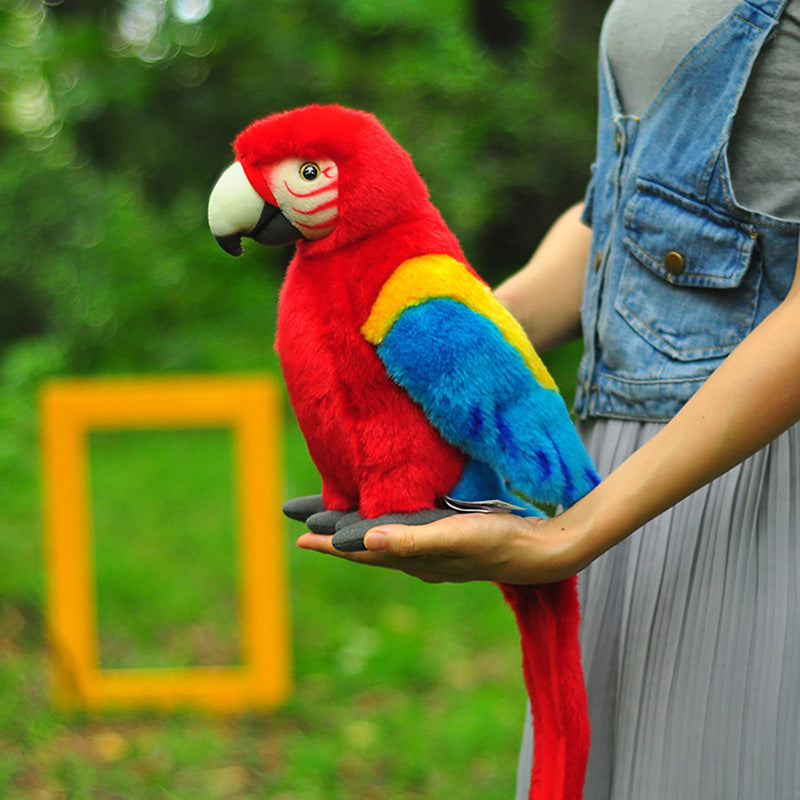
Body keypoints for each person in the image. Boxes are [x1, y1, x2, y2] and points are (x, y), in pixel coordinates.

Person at [297, 0, 800, 796]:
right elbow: (621, 207)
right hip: (620, 469)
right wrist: (447, 346)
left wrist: (576, 534)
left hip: (751, 479)